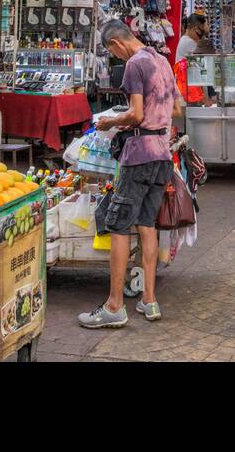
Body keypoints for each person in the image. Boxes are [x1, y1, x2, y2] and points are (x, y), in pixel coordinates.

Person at [78, 20, 183, 328]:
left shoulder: (135, 65)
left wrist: (111, 122)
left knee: (119, 226)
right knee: (147, 224)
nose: (116, 58)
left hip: (139, 156)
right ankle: (149, 300)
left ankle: (114, 305)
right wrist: (144, 119)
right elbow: (176, 108)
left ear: (117, 45)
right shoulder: (161, 61)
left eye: (113, 53)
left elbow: (136, 113)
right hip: (162, 154)